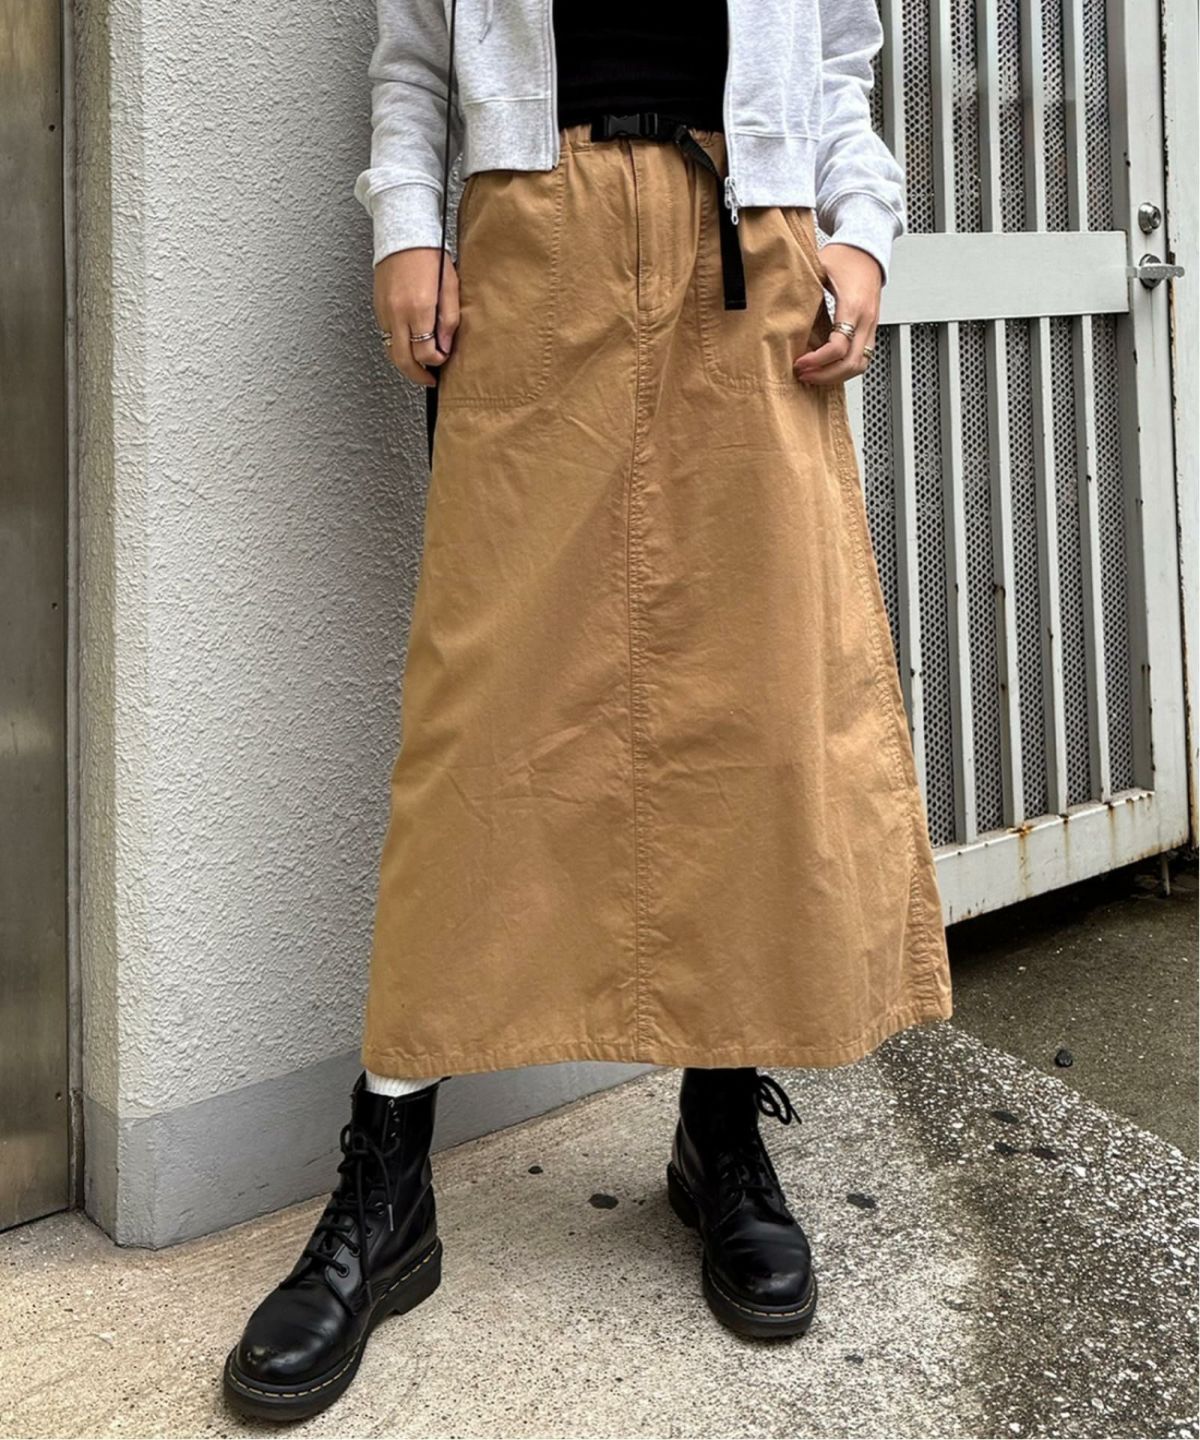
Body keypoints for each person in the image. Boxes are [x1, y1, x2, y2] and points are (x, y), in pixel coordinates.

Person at [223, 0, 953, 1421]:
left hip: (751, 244)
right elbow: (413, 60)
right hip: (531, 239)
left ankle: (720, 1130)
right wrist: (405, 226)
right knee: (474, 732)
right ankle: (388, 1182)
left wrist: (861, 232)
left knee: (750, 719)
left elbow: (842, 61)